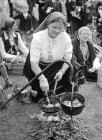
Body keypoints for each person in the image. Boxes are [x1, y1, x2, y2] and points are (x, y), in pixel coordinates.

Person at [23, 12, 75, 103]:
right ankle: (34, 89)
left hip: (56, 66)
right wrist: (42, 79)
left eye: (60, 28)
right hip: (39, 67)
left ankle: (61, 90)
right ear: (48, 25)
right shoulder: (38, 37)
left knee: (71, 66)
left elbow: (67, 59)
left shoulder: (66, 37)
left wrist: (62, 72)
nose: (57, 31)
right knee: (38, 97)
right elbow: (34, 63)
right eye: (54, 27)